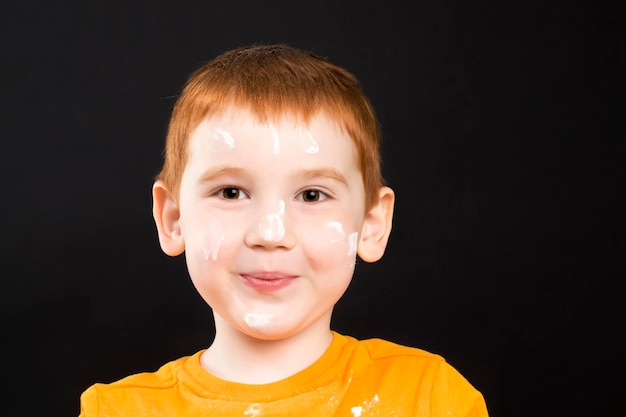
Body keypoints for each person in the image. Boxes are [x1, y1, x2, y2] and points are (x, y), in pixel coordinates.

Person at [78, 43, 489, 416]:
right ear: (173, 219)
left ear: (371, 224)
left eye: (311, 195)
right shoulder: (115, 411)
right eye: (232, 192)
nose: (270, 233)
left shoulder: (430, 399)